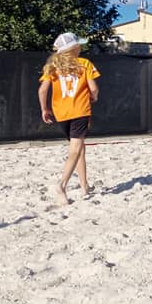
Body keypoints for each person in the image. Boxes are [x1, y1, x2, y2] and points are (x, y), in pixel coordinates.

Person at [38, 32, 100, 205]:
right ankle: (62, 185)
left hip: (61, 113)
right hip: (80, 110)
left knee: (79, 147)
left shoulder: (51, 66)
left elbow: (42, 91)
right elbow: (93, 88)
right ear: (74, 48)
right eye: (78, 45)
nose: (81, 47)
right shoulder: (85, 63)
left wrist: (45, 109)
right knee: (75, 150)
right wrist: (94, 97)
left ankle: (84, 186)